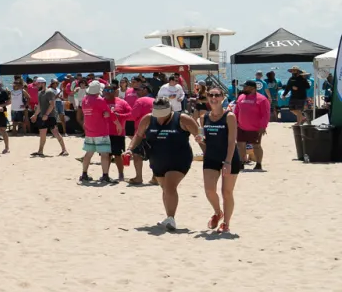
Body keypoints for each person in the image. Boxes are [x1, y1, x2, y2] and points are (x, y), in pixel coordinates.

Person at [129, 96, 201, 231]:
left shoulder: (183, 119)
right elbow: (138, 135)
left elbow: (200, 135)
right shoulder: (148, 119)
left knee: (169, 187)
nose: (160, 118)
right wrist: (129, 149)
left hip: (180, 159)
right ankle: (168, 217)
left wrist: (207, 152)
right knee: (165, 189)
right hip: (157, 160)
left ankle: (171, 218)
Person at [199, 85, 241, 233]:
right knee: (209, 190)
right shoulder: (204, 117)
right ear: (207, 97)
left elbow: (232, 141)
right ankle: (218, 212)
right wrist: (200, 141)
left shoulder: (229, 116)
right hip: (211, 157)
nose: (214, 98)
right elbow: (205, 141)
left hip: (229, 157)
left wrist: (228, 162)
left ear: (223, 98)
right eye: (211, 95)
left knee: (226, 192)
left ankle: (227, 223)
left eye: (217, 95)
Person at [77, 82, 120, 184]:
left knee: (88, 153)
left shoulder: (84, 100)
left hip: (89, 130)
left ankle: (84, 174)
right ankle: (105, 176)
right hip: (100, 131)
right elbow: (109, 113)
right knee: (104, 154)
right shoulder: (99, 100)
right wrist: (117, 123)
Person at [233, 80, 271, 171]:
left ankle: (258, 163)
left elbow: (265, 114)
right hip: (241, 127)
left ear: (252, 88)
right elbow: (237, 110)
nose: (243, 88)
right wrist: (234, 122)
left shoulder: (262, 99)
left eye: (245, 87)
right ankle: (241, 162)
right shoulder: (241, 97)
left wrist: (263, 127)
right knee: (240, 145)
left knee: (256, 146)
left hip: (255, 128)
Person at [29, 81, 68, 157]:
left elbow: (52, 105)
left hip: (50, 116)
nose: (36, 85)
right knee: (42, 134)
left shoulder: (49, 92)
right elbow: (39, 106)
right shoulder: (40, 93)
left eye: (38, 84)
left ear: (43, 83)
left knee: (55, 133)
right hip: (42, 116)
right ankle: (40, 151)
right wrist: (35, 115)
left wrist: (46, 114)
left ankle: (64, 150)